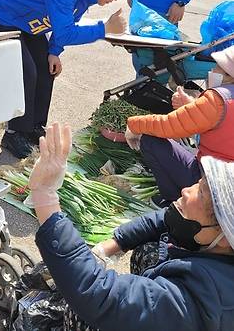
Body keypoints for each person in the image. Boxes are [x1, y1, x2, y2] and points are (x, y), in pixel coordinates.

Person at [27, 123, 234, 331]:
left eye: (201, 194)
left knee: (81, 314)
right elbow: (163, 219)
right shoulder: (220, 251)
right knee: (149, 251)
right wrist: (112, 245)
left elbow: (100, 296)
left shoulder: (193, 301)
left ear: (224, 235)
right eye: (198, 183)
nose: (186, 191)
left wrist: (45, 196)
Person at [0, 0, 133, 158]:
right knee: (26, 72)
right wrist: (104, 29)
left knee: (46, 70)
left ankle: (34, 127)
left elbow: (68, 18)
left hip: (30, 21)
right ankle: (15, 133)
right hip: (5, 16)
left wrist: (54, 51)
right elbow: (66, 32)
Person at [125, 44, 234, 203]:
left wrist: (133, 126)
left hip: (210, 183)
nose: (212, 71)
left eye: (217, 67)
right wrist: (192, 105)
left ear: (229, 75)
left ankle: (174, 201)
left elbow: (168, 126)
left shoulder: (219, 99)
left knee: (150, 140)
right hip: (229, 186)